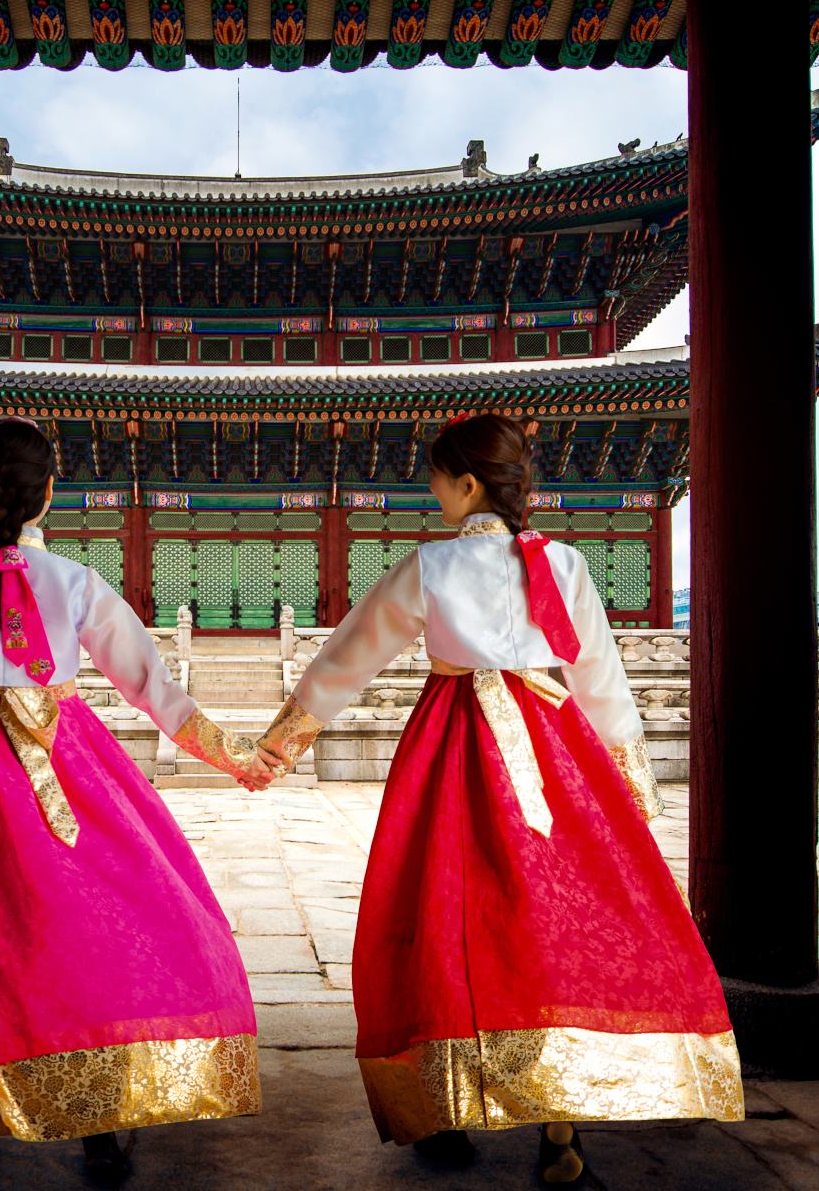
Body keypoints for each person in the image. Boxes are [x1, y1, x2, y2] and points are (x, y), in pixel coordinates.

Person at [254, 413, 742, 1182]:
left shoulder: (431, 568)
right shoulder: (568, 567)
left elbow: (350, 656)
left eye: (438, 477)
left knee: (446, 920)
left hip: (455, 755)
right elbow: (603, 684)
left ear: (468, 484)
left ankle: (444, 1108)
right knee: (559, 923)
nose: (431, 490)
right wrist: (632, 789)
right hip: (559, 755)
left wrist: (284, 739)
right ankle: (560, 1116)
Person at [0, 419, 275, 1181]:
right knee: (89, 922)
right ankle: (98, 1114)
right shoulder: (77, 581)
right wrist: (234, 755)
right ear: (51, 492)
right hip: (68, 760)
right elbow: (150, 682)